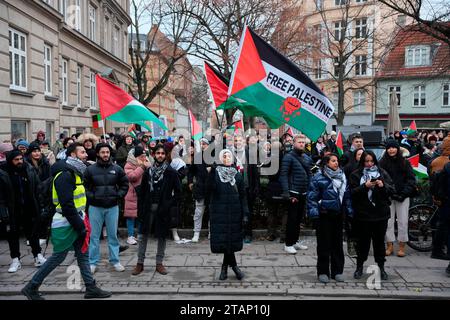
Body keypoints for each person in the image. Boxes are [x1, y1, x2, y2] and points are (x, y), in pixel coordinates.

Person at [21, 143, 111, 300]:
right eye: (82, 152)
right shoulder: (65, 175)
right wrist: (80, 226)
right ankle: (31, 286)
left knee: (83, 254)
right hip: (66, 222)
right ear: (73, 155)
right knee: (59, 256)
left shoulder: (75, 172)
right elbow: (67, 204)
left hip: (76, 219)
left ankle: (90, 288)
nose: (86, 155)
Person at [132, 145, 181, 276]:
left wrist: (169, 204)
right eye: (158, 153)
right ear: (153, 155)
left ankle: (159, 263)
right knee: (142, 236)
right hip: (148, 208)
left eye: (162, 153)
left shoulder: (171, 172)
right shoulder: (148, 171)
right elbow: (142, 191)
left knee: (162, 237)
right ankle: (139, 263)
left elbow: (178, 192)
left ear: (166, 155)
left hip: (163, 210)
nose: (160, 155)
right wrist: (141, 207)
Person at [307, 154, 353, 283]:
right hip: (324, 214)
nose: (336, 163)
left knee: (337, 244)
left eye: (337, 161)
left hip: (338, 214)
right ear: (327, 163)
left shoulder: (342, 176)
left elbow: (347, 196)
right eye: (333, 161)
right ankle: (323, 271)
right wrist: (314, 213)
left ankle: (337, 271)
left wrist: (349, 210)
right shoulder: (318, 177)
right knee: (324, 245)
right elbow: (312, 197)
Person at [84, 143, 129, 273]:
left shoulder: (117, 168)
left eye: (107, 152)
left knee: (112, 235)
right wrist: (92, 197)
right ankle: (92, 262)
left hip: (112, 206)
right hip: (95, 207)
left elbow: (124, 184)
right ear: (98, 153)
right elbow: (84, 186)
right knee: (94, 236)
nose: (105, 155)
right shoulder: (90, 169)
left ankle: (115, 261)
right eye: (103, 152)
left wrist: (118, 195)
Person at [349, 150, 394, 281]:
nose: (369, 164)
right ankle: (359, 267)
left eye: (371, 161)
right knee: (363, 243)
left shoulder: (382, 173)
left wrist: (382, 185)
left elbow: (391, 191)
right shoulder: (356, 174)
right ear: (362, 162)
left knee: (379, 243)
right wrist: (365, 186)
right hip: (363, 215)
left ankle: (381, 268)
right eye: (366, 161)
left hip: (380, 214)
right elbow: (352, 193)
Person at [0, 149, 46, 273]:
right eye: (16, 160)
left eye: (21, 159)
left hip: (29, 207)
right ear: (10, 160)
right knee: (13, 235)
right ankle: (15, 259)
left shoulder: (29, 169)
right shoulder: (4, 173)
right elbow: (1, 196)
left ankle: (38, 256)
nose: (20, 161)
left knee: (32, 233)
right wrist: (3, 212)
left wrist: (40, 204)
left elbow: (38, 188)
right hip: (12, 209)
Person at [207, 149, 249, 281]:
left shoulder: (237, 175)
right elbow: (209, 188)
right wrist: (212, 172)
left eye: (229, 156)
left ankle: (225, 268)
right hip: (220, 213)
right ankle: (234, 268)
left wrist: (245, 213)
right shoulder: (216, 174)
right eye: (224, 157)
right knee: (226, 241)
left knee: (230, 241)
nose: (227, 159)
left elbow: (243, 196)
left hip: (235, 212)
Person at [379, 140, 416, 257]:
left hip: (403, 196)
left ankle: (401, 246)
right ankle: (389, 245)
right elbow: (381, 179)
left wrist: (403, 194)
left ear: (397, 149)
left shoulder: (405, 163)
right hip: (388, 196)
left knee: (403, 221)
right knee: (388, 222)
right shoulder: (382, 163)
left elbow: (411, 180)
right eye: (389, 148)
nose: (391, 150)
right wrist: (389, 192)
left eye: (393, 148)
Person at [279, 134, 313, 254]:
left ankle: (295, 241)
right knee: (292, 219)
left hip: (303, 192)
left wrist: (310, 188)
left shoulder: (306, 157)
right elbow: (283, 175)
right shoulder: (288, 157)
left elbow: (309, 174)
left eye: (303, 142)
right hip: (293, 192)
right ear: (294, 143)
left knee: (299, 219)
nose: (302, 144)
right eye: (299, 142)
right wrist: (286, 192)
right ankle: (288, 244)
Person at [124, 146, 150, 245]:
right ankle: (130, 236)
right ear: (136, 157)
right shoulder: (129, 164)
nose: (144, 158)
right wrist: (142, 167)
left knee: (141, 215)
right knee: (131, 216)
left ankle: (139, 235)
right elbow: (132, 177)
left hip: (142, 193)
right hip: (132, 193)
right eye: (141, 156)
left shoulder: (146, 163)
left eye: (144, 156)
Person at [343, 147, 364, 257]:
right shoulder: (349, 167)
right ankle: (351, 246)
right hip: (351, 198)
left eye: (363, 154)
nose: (361, 156)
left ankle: (361, 246)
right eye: (359, 154)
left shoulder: (369, 167)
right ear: (355, 156)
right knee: (351, 223)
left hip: (364, 200)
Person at [188, 138, 210, 243]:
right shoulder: (197, 156)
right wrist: (190, 182)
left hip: (212, 189)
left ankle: (212, 232)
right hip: (200, 188)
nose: (203, 146)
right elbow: (190, 171)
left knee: (212, 212)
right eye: (201, 144)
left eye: (205, 144)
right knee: (198, 212)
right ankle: (196, 233)